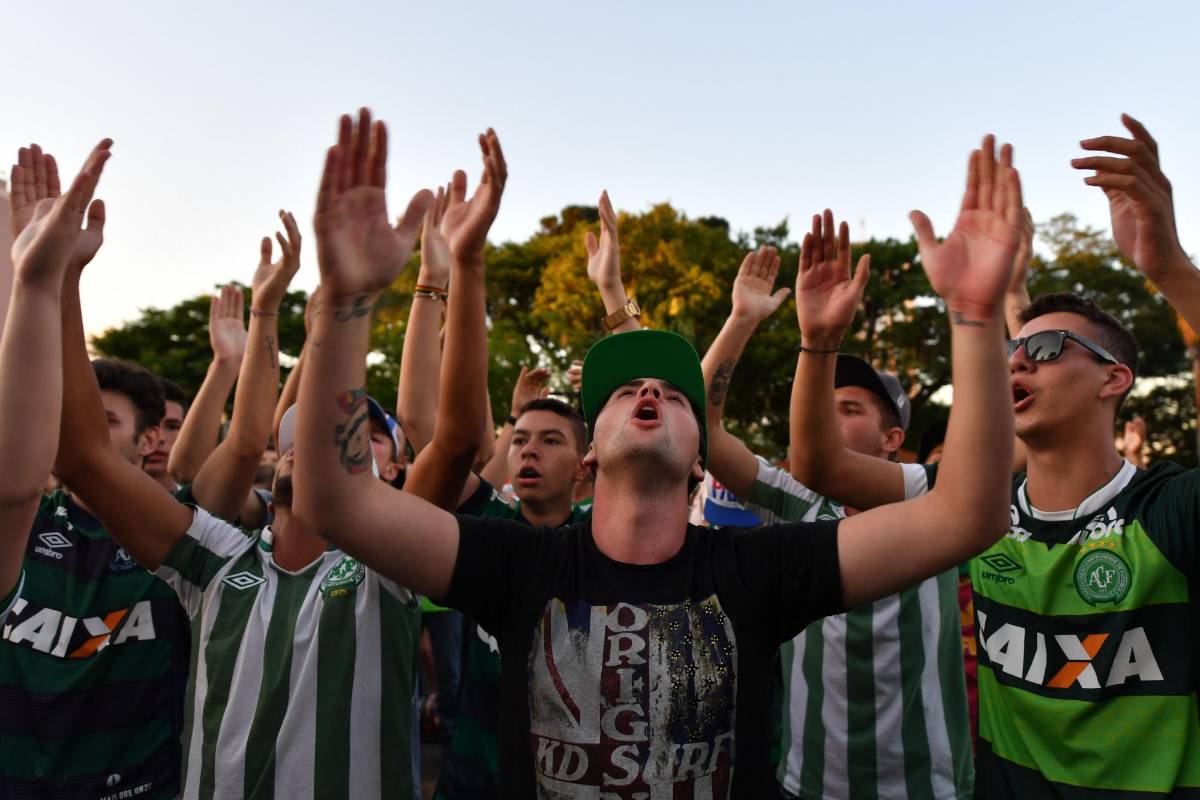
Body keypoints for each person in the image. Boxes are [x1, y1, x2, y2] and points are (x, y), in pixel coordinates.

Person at [294, 111, 1020, 796]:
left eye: (673, 394)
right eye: (624, 392)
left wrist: (977, 319)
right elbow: (338, 500)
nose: (649, 394)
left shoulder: (760, 570)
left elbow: (966, 515)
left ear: (701, 458)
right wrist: (347, 301)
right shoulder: (519, 564)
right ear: (591, 460)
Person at [51, 111, 502, 798]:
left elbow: (460, 437)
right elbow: (83, 455)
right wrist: (55, 284)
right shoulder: (212, 557)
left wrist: (422, 282)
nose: (301, 453)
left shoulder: (390, 565)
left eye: (335, 444)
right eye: (289, 445)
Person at [791, 116, 1200, 796]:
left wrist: (1169, 267)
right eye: (1013, 350)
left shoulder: (1170, 510)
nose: (1018, 364)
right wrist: (818, 344)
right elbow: (822, 468)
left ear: (1115, 379)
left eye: (1043, 351)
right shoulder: (974, 508)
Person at [701, 238, 972, 798]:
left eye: (848, 409)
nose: (825, 413)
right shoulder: (798, 502)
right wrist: (742, 319)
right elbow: (699, 428)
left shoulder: (936, 498)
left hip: (930, 788)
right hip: (809, 784)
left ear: (893, 438)